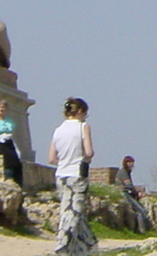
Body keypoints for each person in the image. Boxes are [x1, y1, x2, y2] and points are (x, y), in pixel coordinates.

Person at [49, 97, 97, 256]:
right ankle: (62, 245)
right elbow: (89, 152)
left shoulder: (58, 130)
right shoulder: (83, 127)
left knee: (76, 213)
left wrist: (64, 161)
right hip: (77, 173)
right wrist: (86, 158)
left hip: (61, 175)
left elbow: (52, 158)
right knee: (72, 212)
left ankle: (89, 247)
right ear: (81, 112)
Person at [0, 98, 23, 185]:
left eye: (2, 107)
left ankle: (17, 181)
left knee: (16, 160)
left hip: (8, 142)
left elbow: (11, 133)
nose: (0, 109)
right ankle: (8, 178)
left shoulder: (9, 121)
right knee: (7, 161)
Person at [118, 156, 153, 233]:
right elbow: (129, 186)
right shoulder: (123, 172)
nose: (131, 164)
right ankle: (142, 231)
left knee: (142, 210)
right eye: (129, 162)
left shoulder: (127, 172)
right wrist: (138, 192)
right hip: (124, 194)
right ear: (125, 163)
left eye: (132, 162)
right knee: (141, 211)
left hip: (128, 193)